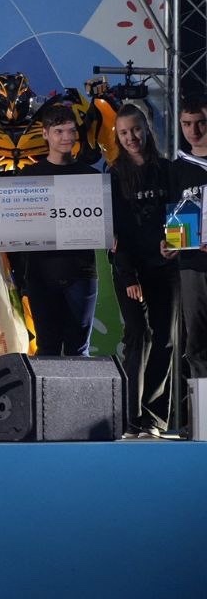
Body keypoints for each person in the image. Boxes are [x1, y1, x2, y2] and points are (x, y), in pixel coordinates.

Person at [109, 104, 178, 437]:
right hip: (130, 271)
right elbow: (114, 234)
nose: (131, 137)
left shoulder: (167, 170)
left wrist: (174, 243)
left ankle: (154, 418)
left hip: (166, 267)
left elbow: (180, 212)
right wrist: (128, 275)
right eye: (124, 132)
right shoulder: (113, 176)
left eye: (135, 129)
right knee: (138, 335)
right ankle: (130, 415)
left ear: (147, 129)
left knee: (165, 338)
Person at [15, 104, 101, 357]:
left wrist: (112, 233)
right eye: (59, 131)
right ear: (45, 134)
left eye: (71, 131)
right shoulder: (28, 176)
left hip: (81, 272)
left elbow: (105, 222)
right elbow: (17, 225)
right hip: (41, 274)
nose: (66, 137)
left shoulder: (90, 176)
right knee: (47, 347)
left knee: (79, 349)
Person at [171, 98, 207, 430]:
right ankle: (202, 422)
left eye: (200, 123)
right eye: (186, 124)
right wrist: (168, 242)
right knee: (196, 344)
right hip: (192, 266)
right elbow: (172, 220)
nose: (193, 131)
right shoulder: (177, 168)